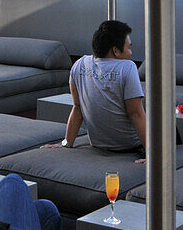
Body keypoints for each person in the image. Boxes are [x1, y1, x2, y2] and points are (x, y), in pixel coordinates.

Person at [53, 20, 146, 156]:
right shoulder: (128, 67)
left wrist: (66, 143)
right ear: (115, 50)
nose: (131, 53)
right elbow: (135, 114)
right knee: (167, 123)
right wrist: (151, 153)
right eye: (129, 48)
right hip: (130, 145)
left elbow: (77, 107)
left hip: (98, 144)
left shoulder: (80, 64)